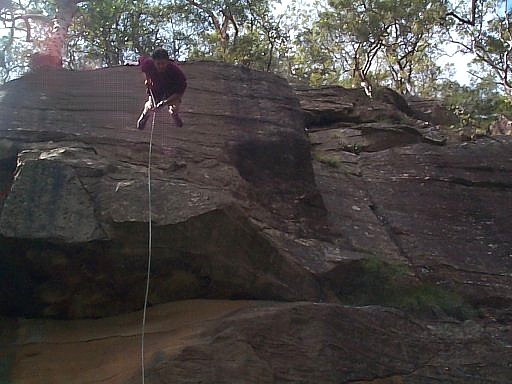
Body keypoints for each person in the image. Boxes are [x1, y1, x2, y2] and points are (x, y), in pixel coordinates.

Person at [137, 48, 187, 130]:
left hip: (171, 89)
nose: (161, 66)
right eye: (158, 63)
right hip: (156, 88)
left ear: (168, 61)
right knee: (151, 105)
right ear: (153, 62)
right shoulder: (148, 64)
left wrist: (164, 103)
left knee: (174, 105)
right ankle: (144, 115)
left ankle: (174, 113)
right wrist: (147, 79)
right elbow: (142, 64)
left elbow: (179, 93)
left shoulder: (176, 72)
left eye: (163, 63)